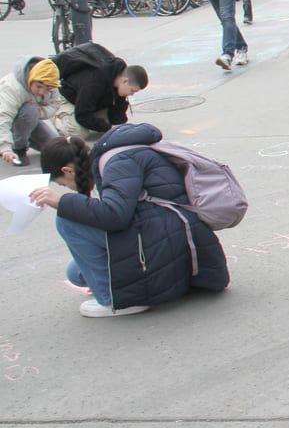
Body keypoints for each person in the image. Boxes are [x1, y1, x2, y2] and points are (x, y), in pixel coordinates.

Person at [27, 126, 230, 317]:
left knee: (67, 219)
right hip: (171, 241)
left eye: (63, 184)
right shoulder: (116, 156)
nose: (69, 188)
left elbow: (115, 216)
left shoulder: (118, 162)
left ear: (67, 171)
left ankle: (111, 300)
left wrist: (62, 202)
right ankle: (121, 286)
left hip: (165, 244)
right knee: (76, 272)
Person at [51, 43, 146, 139]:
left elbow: (118, 111)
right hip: (71, 98)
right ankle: (56, 115)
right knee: (78, 133)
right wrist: (109, 128)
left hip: (93, 103)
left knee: (104, 126)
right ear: (125, 80)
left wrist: (118, 128)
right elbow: (82, 116)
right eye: (132, 90)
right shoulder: (93, 83)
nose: (132, 94)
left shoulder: (118, 77)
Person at [1, 56, 61, 167]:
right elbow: (3, 117)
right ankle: (19, 148)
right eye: (38, 86)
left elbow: (55, 104)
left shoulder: (51, 83)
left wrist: (41, 112)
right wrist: (5, 147)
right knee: (30, 110)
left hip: (26, 120)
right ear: (31, 78)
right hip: (7, 121)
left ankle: (19, 138)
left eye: (47, 89)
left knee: (56, 148)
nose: (42, 92)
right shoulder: (11, 87)